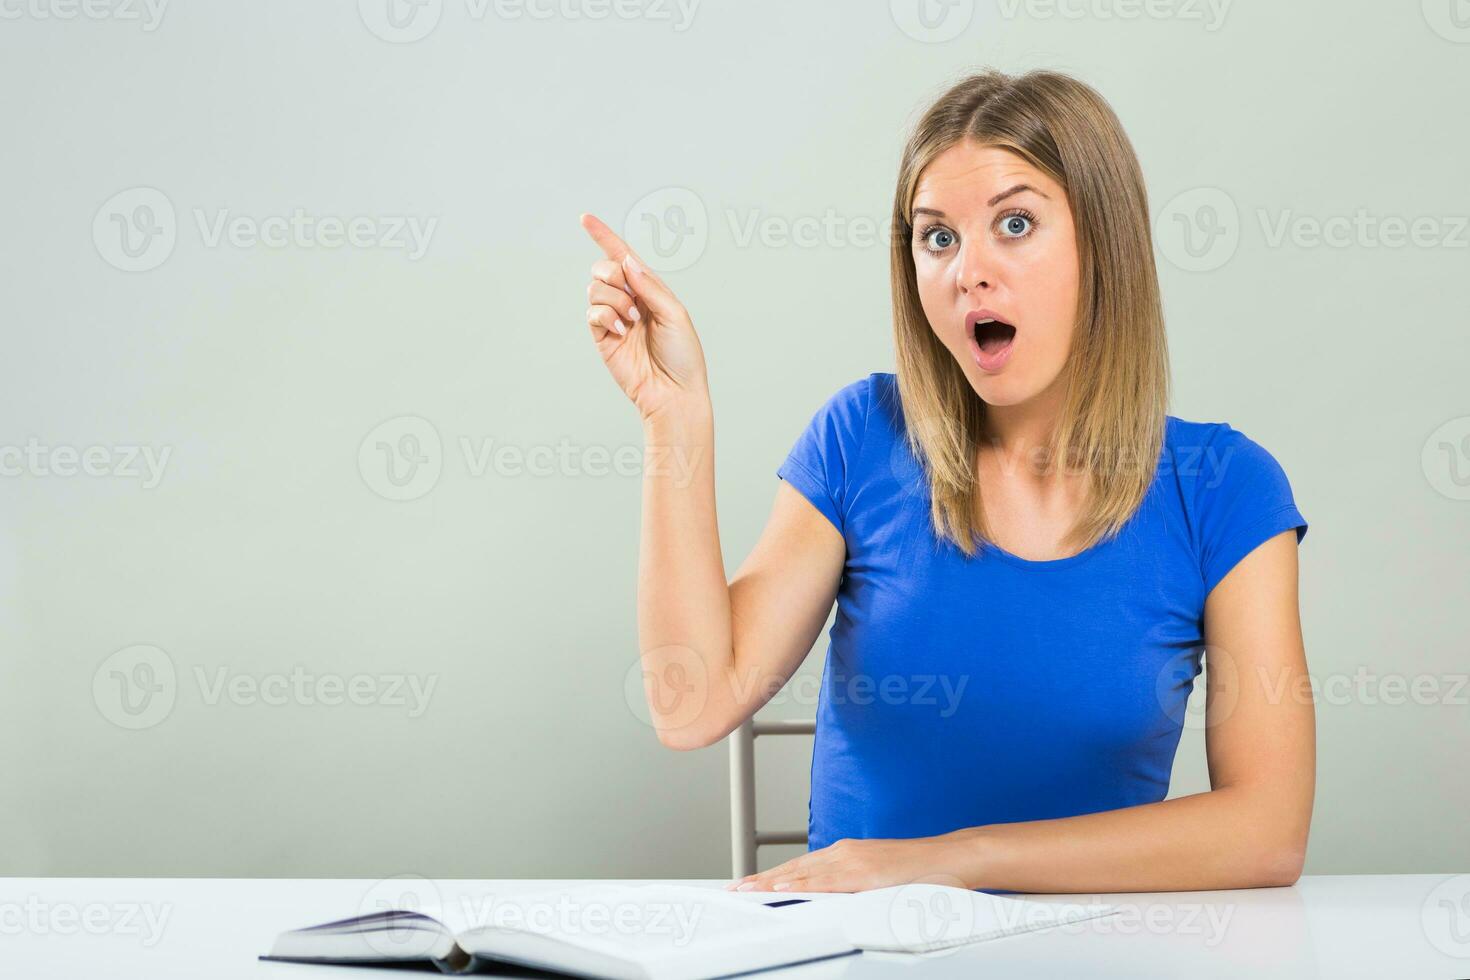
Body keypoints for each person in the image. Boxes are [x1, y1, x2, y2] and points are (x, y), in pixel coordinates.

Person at [578, 68, 1312, 895]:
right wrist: (674, 422)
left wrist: (943, 861)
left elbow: (1268, 831)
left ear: (1105, 245)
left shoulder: (1224, 488)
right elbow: (689, 702)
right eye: (938, 238)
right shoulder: (862, 437)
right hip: (859, 955)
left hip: (1095, 954)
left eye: (1016, 223)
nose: (970, 271)